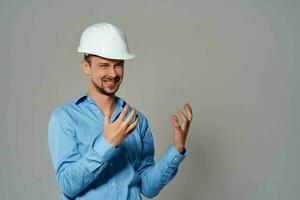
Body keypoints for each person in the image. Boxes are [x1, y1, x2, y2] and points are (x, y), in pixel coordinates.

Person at [48, 22, 193, 200]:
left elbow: (147, 188)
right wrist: (107, 144)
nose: (114, 73)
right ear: (86, 67)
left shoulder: (137, 120)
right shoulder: (64, 118)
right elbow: (68, 186)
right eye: (104, 66)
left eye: (118, 65)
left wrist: (177, 149)